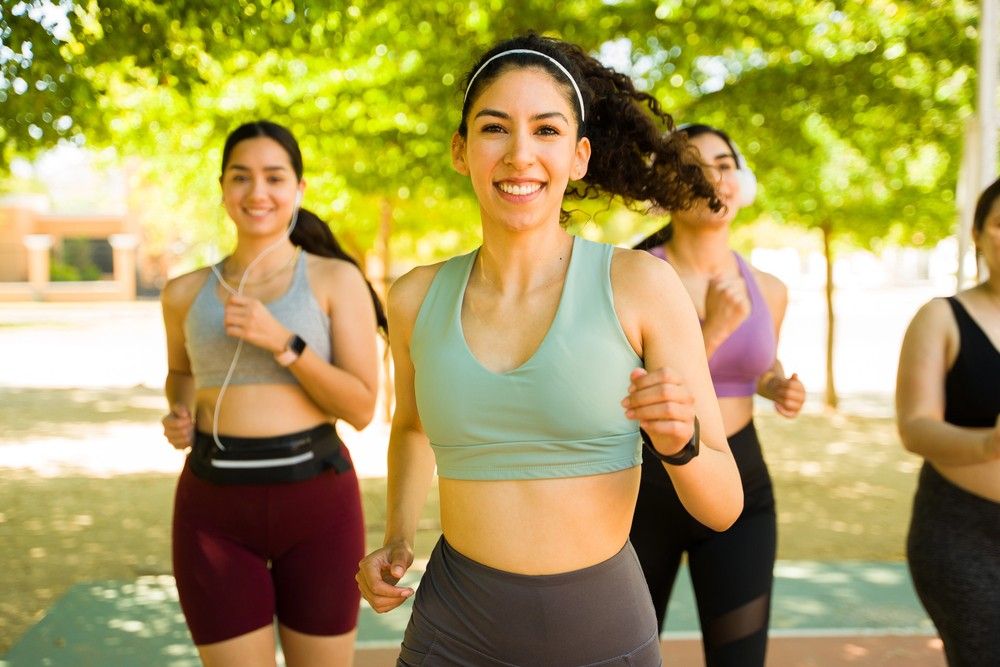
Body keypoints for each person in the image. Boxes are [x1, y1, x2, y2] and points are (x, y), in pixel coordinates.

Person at [355, 34, 744, 666]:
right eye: (494, 128)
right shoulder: (414, 298)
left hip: (604, 636)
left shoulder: (640, 285)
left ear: (579, 155)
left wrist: (682, 443)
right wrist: (397, 536)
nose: (519, 155)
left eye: (546, 130)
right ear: (460, 150)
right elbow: (411, 426)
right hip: (451, 636)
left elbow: (725, 507)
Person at [160, 120, 386, 667]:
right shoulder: (184, 291)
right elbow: (181, 373)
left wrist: (283, 342)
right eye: (241, 177)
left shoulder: (335, 280)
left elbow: (360, 408)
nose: (257, 192)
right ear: (222, 189)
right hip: (213, 510)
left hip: (317, 505)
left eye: (274, 177)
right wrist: (179, 410)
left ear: (299, 189)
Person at [629, 123, 805, 666]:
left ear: (741, 181)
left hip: (742, 481)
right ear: (665, 189)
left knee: (741, 658)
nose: (713, 178)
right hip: (645, 488)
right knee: (625, 656)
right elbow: (639, 396)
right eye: (693, 166)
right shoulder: (634, 277)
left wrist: (776, 384)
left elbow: (753, 369)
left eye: (724, 164)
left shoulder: (768, 288)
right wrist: (716, 329)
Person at [896, 178, 1000, 666]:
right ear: (978, 234)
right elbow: (915, 427)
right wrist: (989, 443)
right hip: (962, 532)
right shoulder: (941, 317)